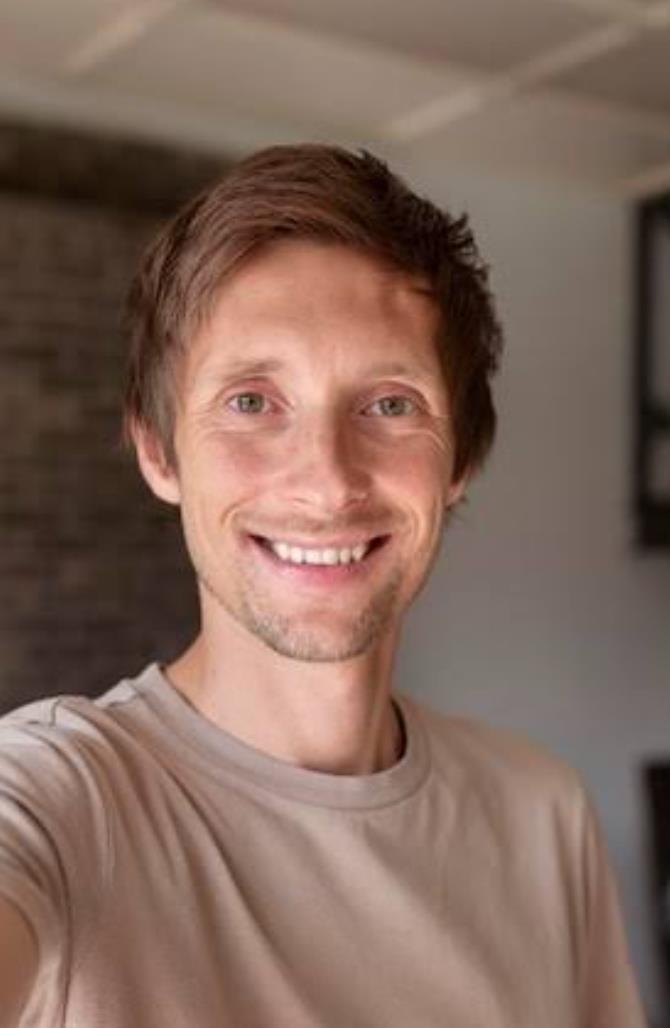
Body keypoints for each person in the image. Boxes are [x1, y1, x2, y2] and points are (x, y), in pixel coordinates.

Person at [0, 144, 646, 1027]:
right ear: (158, 451)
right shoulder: (55, 798)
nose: (328, 481)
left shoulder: (543, 811)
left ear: (460, 460)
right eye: (252, 401)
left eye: (389, 404)